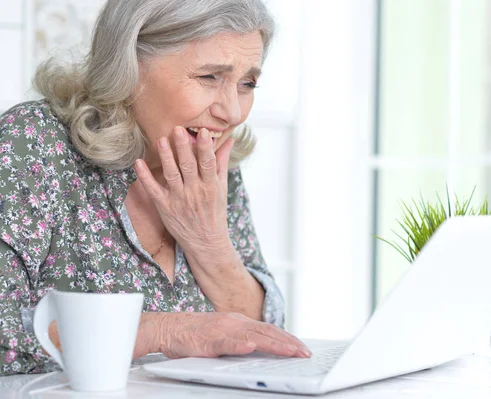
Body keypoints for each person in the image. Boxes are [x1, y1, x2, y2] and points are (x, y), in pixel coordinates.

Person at [0, 0, 310, 376]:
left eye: (247, 84)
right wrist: (166, 330)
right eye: (210, 77)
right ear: (129, 68)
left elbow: (261, 337)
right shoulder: (33, 143)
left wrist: (210, 246)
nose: (233, 112)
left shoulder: (208, 157)